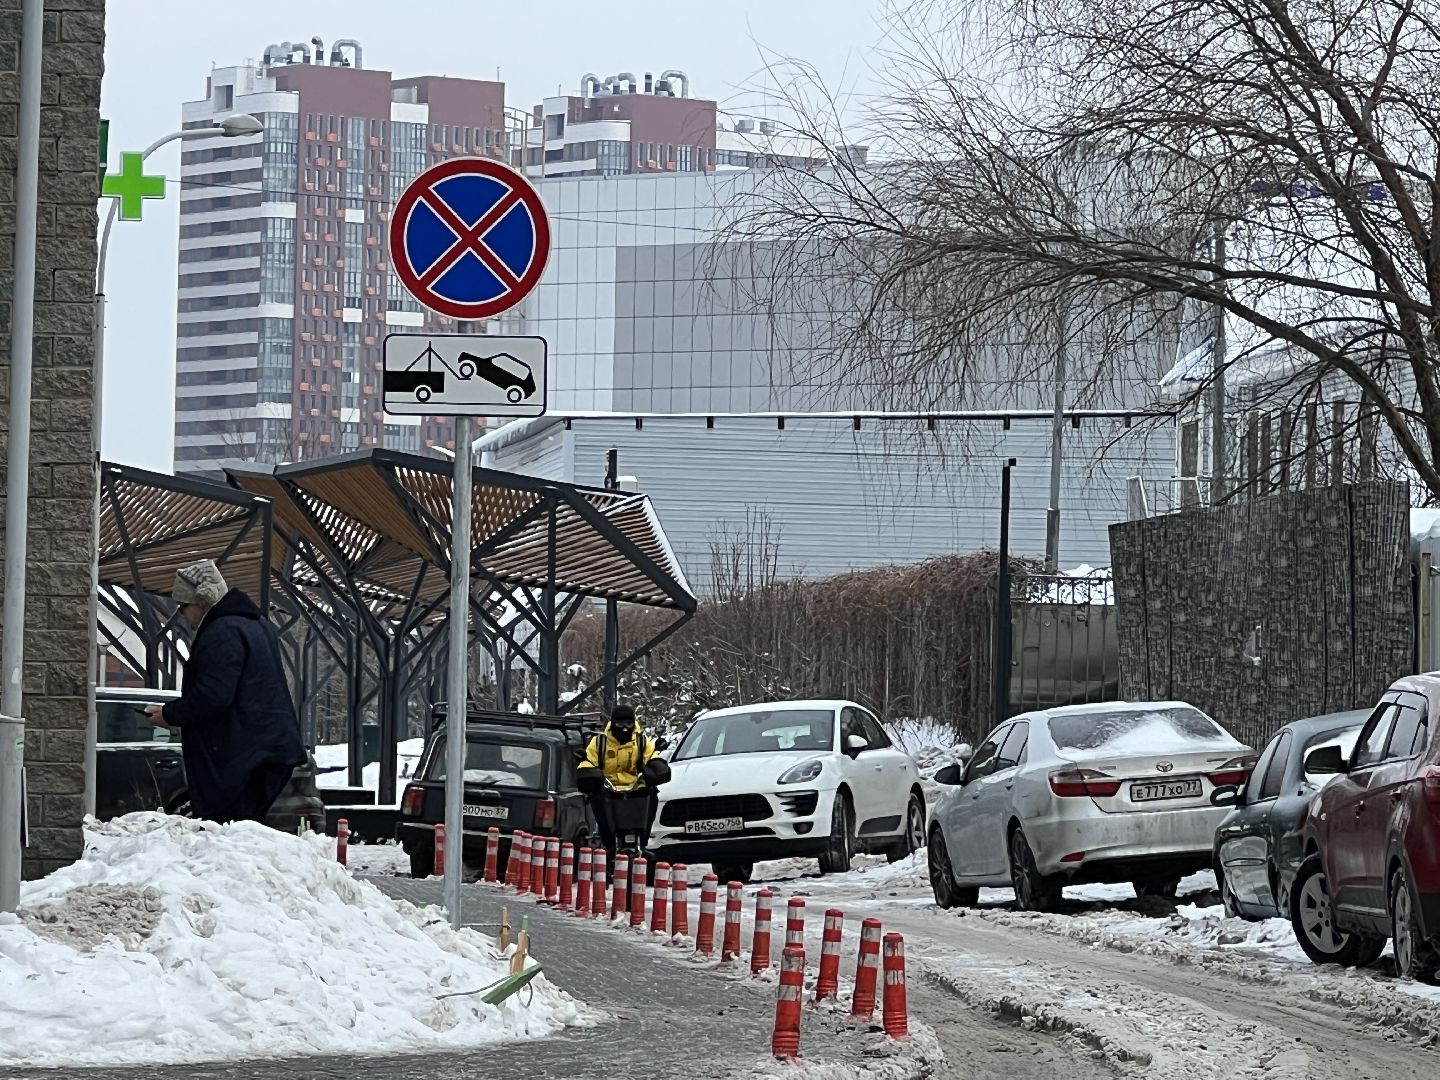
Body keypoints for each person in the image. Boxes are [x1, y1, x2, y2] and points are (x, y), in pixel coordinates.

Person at [145, 559, 305, 825]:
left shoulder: (222, 632)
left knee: (229, 834)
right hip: (265, 750)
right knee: (246, 834)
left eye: (183, 606)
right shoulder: (258, 626)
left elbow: (214, 696)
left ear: (201, 602)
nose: (182, 615)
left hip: (239, 759)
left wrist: (170, 714)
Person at [576, 704, 669, 862]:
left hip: (636, 788)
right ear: (612, 724)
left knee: (652, 793)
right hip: (608, 789)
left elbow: (652, 754)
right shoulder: (599, 743)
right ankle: (609, 843)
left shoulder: (641, 741)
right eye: (620, 724)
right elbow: (589, 761)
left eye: (628, 724)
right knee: (597, 797)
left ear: (634, 723)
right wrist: (588, 773)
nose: (624, 729)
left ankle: (643, 841)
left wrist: (656, 768)